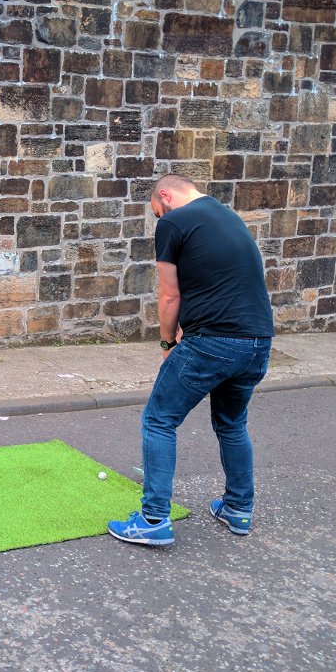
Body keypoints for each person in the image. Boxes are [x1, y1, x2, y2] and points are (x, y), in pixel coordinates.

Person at [108, 174, 274, 546]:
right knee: (232, 424)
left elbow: (169, 295)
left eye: (157, 210)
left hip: (214, 341)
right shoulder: (226, 215)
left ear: (165, 195)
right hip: (258, 341)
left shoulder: (174, 221)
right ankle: (237, 509)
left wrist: (167, 343)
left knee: (159, 419)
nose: (158, 219)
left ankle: (152, 519)